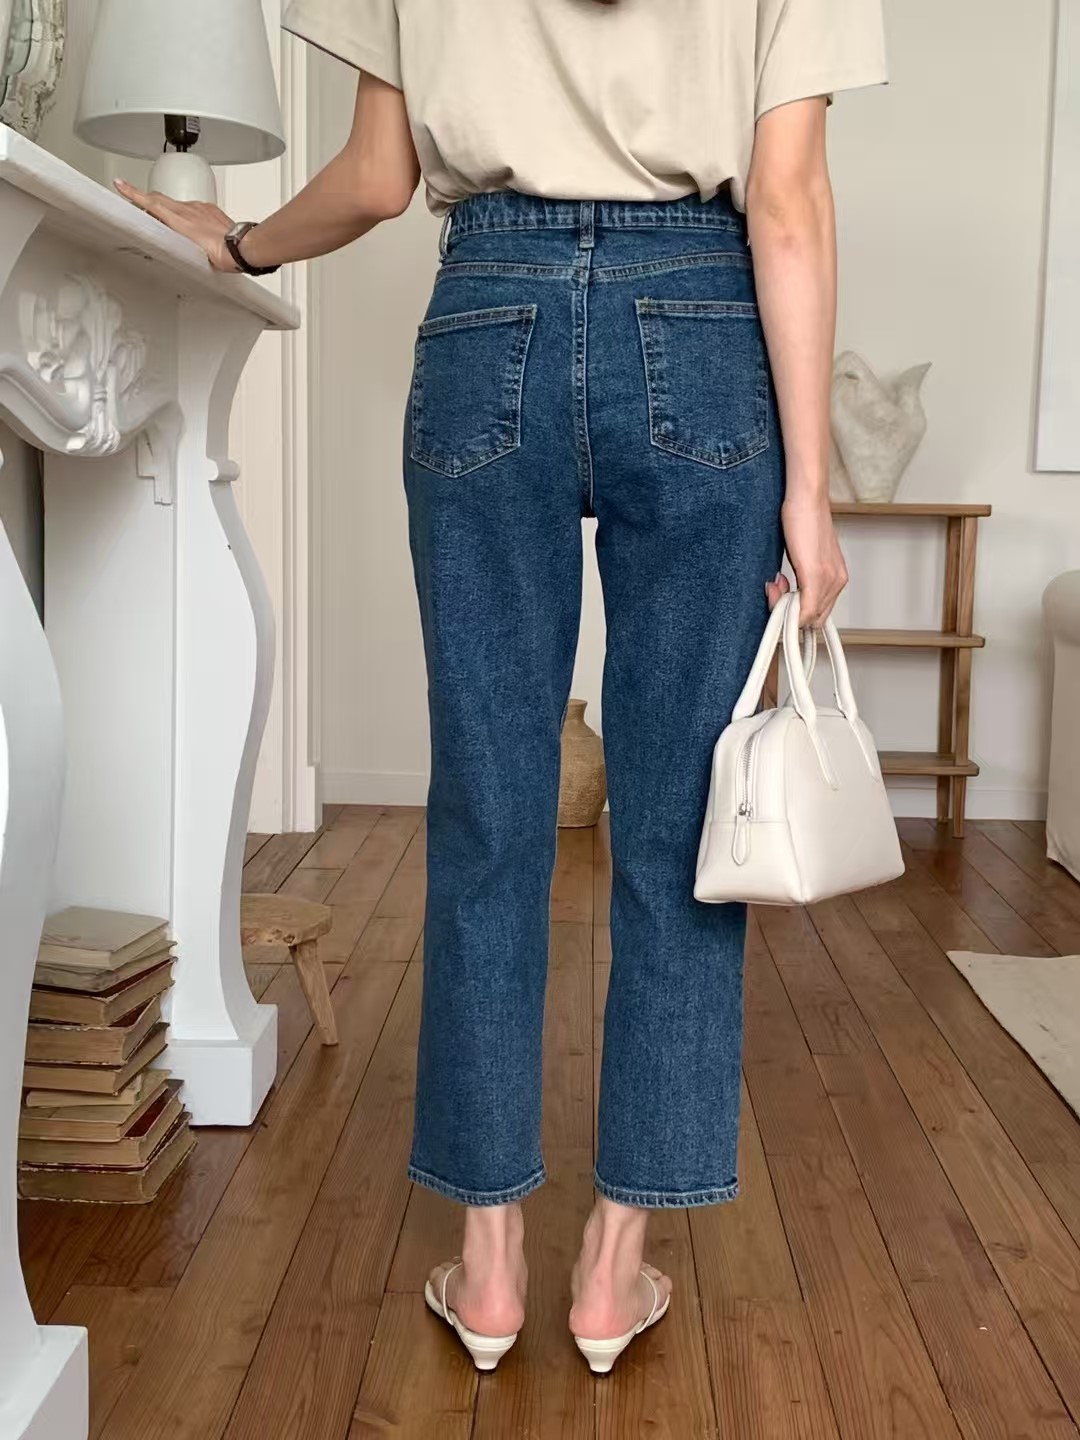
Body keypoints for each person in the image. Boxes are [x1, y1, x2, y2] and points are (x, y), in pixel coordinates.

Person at [118, 0, 886, 1375]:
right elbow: (786, 201)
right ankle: (613, 1267)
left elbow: (377, 177)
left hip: (491, 313)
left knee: (489, 813)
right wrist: (813, 498)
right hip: (703, 321)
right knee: (682, 831)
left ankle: (486, 1267)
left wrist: (235, 243)